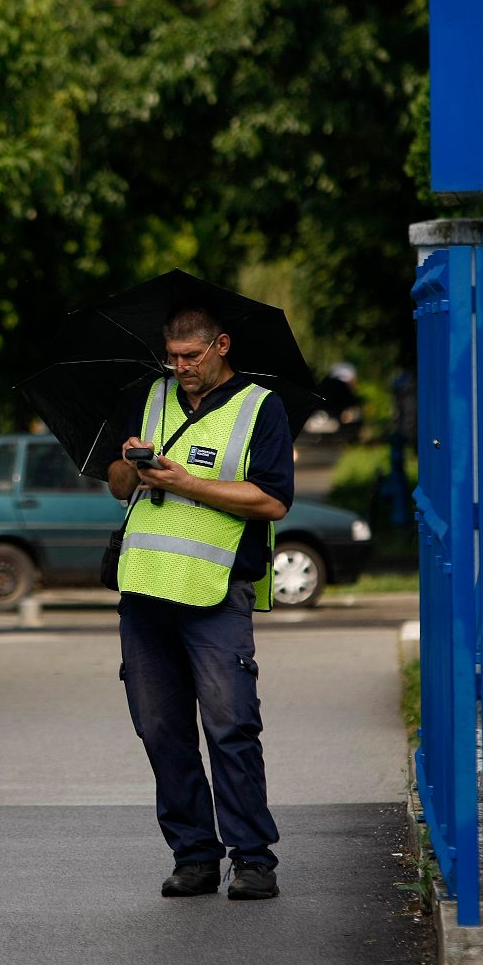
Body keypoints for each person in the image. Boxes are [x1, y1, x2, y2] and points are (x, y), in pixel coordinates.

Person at [107, 301, 293, 901]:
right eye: (172, 355)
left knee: (231, 726)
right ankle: (193, 855)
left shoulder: (260, 408)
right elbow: (115, 483)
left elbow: (272, 501)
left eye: (191, 356)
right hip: (144, 590)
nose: (179, 366)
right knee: (160, 730)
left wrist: (184, 481)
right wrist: (133, 467)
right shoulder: (152, 397)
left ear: (222, 346)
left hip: (214, 594)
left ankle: (253, 859)